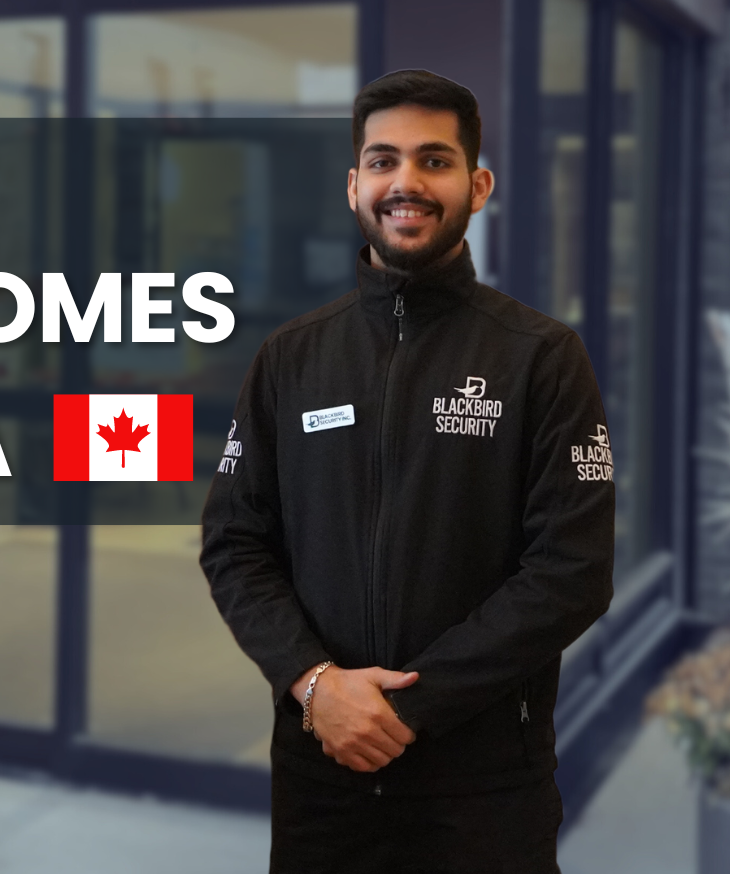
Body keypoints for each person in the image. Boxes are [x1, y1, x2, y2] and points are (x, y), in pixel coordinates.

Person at [200, 69, 615, 873]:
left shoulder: (540, 358)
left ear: (478, 184)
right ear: (355, 184)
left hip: (485, 785)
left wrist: (407, 707)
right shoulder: (292, 357)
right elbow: (234, 543)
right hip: (325, 781)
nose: (407, 183)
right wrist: (316, 685)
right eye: (384, 161)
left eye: (434, 160)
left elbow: (573, 572)